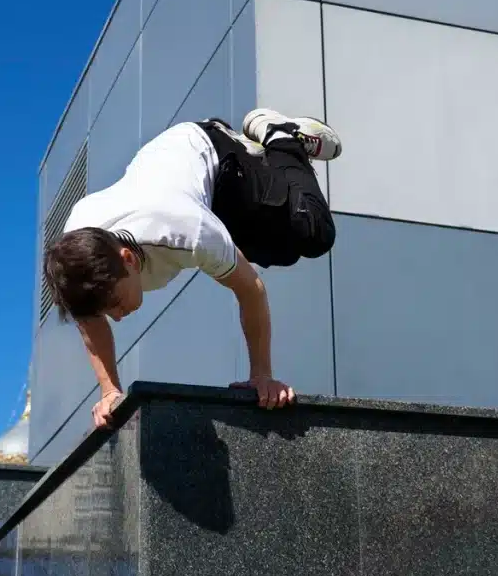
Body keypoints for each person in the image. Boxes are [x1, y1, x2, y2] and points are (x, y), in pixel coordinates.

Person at [42, 108, 342, 428]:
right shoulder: (76, 266)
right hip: (168, 176)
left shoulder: (185, 231)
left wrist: (262, 377)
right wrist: (110, 392)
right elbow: (90, 323)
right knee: (270, 251)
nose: (116, 317)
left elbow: (250, 289)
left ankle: (280, 136)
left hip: (211, 152)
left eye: (114, 304)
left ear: (128, 259)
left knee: (311, 233)